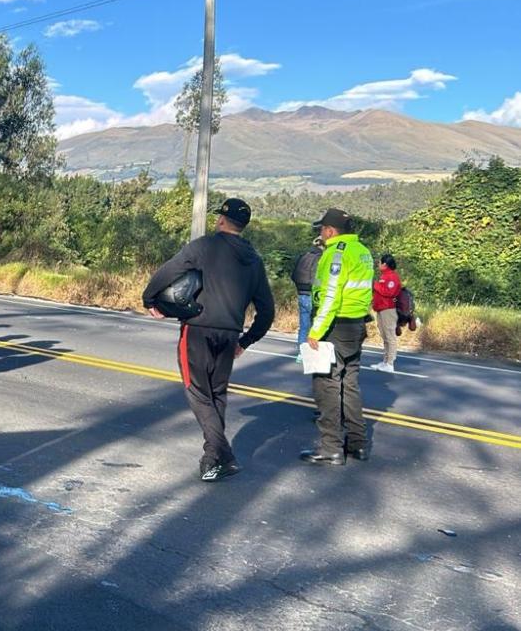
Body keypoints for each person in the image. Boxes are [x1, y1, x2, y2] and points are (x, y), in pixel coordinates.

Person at [143, 198, 275, 482]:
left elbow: (170, 269)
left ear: (221, 220)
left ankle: (223, 454)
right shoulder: (254, 261)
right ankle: (212, 460)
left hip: (198, 329)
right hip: (230, 335)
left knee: (198, 393)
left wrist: (149, 298)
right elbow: (267, 312)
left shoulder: (205, 246)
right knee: (216, 395)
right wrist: (246, 340)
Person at [300, 208, 374, 466]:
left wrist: (315, 331)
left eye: (322, 229)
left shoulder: (337, 253)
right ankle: (358, 444)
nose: (320, 233)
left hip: (334, 327)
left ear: (330, 230)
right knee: (350, 384)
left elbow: (331, 296)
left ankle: (331, 448)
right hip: (355, 325)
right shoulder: (363, 252)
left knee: (327, 386)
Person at [291, 236, 324, 359]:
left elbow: (293, 275)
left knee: (304, 325)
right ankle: (314, 354)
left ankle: (301, 353)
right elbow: (319, 279)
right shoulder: (321, 257)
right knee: (317, 325)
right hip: (314, 295)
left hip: (301, 293)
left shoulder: (304, 256)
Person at [371, 253, 402, 373]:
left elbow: (390, 292)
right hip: (380, 309)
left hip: (388, 309)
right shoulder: (384, 275)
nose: (378, 264)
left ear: (385, 264)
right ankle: (385, 361)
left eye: (379, 262)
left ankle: (390, 363)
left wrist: (376, 285)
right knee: (384, 336)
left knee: (390, 336)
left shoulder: (392, 276)